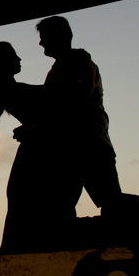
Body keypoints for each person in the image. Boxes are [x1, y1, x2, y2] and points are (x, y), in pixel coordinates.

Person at [0, 42, 78, 252]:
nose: (20, 59)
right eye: (14, 56)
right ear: (3, 62)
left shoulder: (9, 90)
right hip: (38, 161)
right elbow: (56, 100)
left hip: (33, 159)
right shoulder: (12, 90)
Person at [36, 16, 122, 211]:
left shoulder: (82, 66)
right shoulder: (59, 70)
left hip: (91, 150)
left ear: (59, 37)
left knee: (112, 205)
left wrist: (38, 127)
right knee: (62, 208)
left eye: (44, 36)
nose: (40, 42)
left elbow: (71, 105)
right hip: (73, 151)